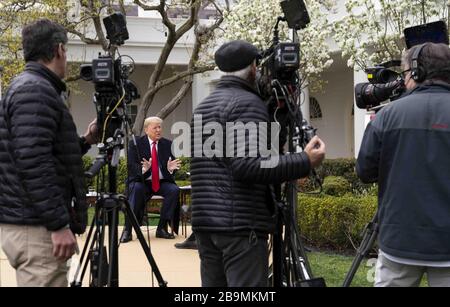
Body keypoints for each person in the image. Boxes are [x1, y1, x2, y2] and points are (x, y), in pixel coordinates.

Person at [190, 40, 326, 287]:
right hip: (240, 228)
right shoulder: (247, 104)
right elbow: (248, 165)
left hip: (206, 223)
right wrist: (304, 160)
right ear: (253, 67)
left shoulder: (203, 106)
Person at [0, 19, 98, 287]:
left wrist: (87, 140)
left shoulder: (31, 87)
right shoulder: (35, 90)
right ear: (59, 50)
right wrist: (57, 224)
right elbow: (34, 162)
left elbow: (44, 153)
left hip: (31, 221)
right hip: (36, 227)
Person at [356, 43, 450, 287]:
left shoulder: (387, 115)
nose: (404, 80)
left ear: (417, 73)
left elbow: (364, 171)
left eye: (406, 73)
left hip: (399, 242)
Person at [120, 117, 182, 242]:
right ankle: (127, 230)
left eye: (160, 127)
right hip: (141, 181)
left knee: (174, 190)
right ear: (146, 129)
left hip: (161, 182)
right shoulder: (136, 144)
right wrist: (144, 169)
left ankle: (161, 228)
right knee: (136, 189)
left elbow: (171, 166)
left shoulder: (168, 144)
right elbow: (131, 166)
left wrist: (170, 170)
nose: (158, 130)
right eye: (155, 128)